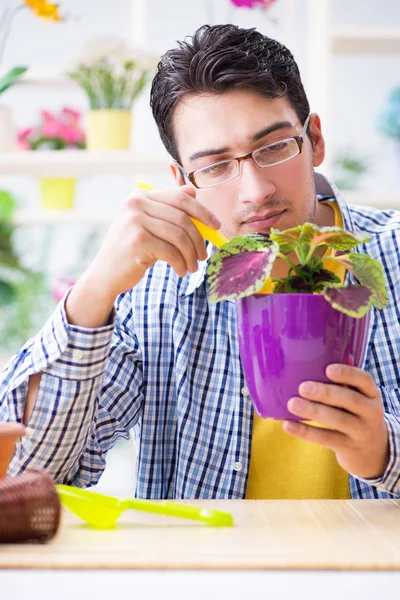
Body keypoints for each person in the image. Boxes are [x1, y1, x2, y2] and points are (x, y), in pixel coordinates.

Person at [1, 24, 400, 500]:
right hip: (202, 573)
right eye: (215, 166)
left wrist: (386, 452)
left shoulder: (390, 258)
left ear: (313, 139)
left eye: (273, 147)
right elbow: (26, 475)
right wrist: (93, 291)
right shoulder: (155, 290)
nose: (257, 192)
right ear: (182, 178)